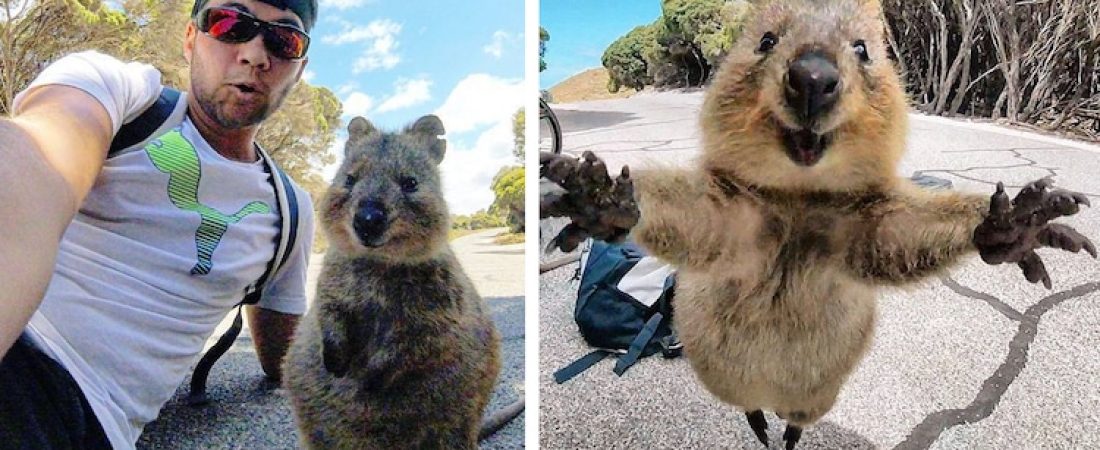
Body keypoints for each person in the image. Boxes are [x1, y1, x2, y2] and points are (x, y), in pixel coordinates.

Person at [0, 0, 318, 448]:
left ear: (298, 70)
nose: (254, 54)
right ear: (191, 40)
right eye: (229, 23)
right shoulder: (119, 92)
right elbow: (36, 157)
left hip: (81, 418)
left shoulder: (291, 212)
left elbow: (285, 358)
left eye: (284, 40)